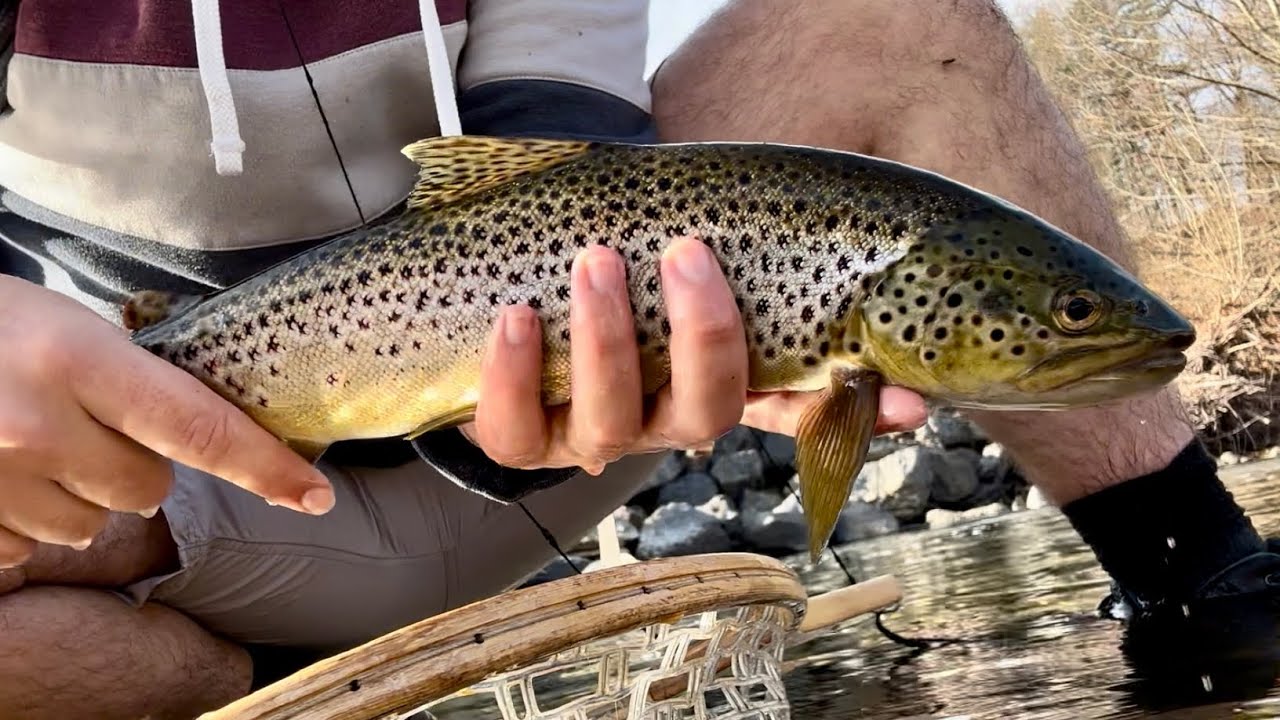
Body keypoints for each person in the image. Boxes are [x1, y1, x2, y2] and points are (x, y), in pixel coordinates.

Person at [0, 0, 1274, 718]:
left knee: (895, 17)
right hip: (168, 480)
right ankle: (275, 679)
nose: (1124, 337)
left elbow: (559, 153)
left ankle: (1209, 590)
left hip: (578, 436)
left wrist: (578, 319)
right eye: (1056, 322)